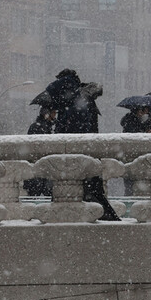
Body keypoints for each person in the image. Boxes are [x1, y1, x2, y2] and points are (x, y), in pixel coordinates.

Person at [46, 68, 120, 220]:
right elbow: (87, 127)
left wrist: (61, 132)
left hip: (75, 152)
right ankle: (106, 219)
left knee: (72, 191)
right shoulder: (82, 97)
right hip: (88, 150)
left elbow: (71, 129)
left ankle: (95, 219)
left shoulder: (70, 97)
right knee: (93, 191)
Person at [23, 101, 57, 197]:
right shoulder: (38, 127)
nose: (55, 115)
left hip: (40, 171)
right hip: (38, 170)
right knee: (37, 197)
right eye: (53, 113)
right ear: (47, 114)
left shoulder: (47, 127)